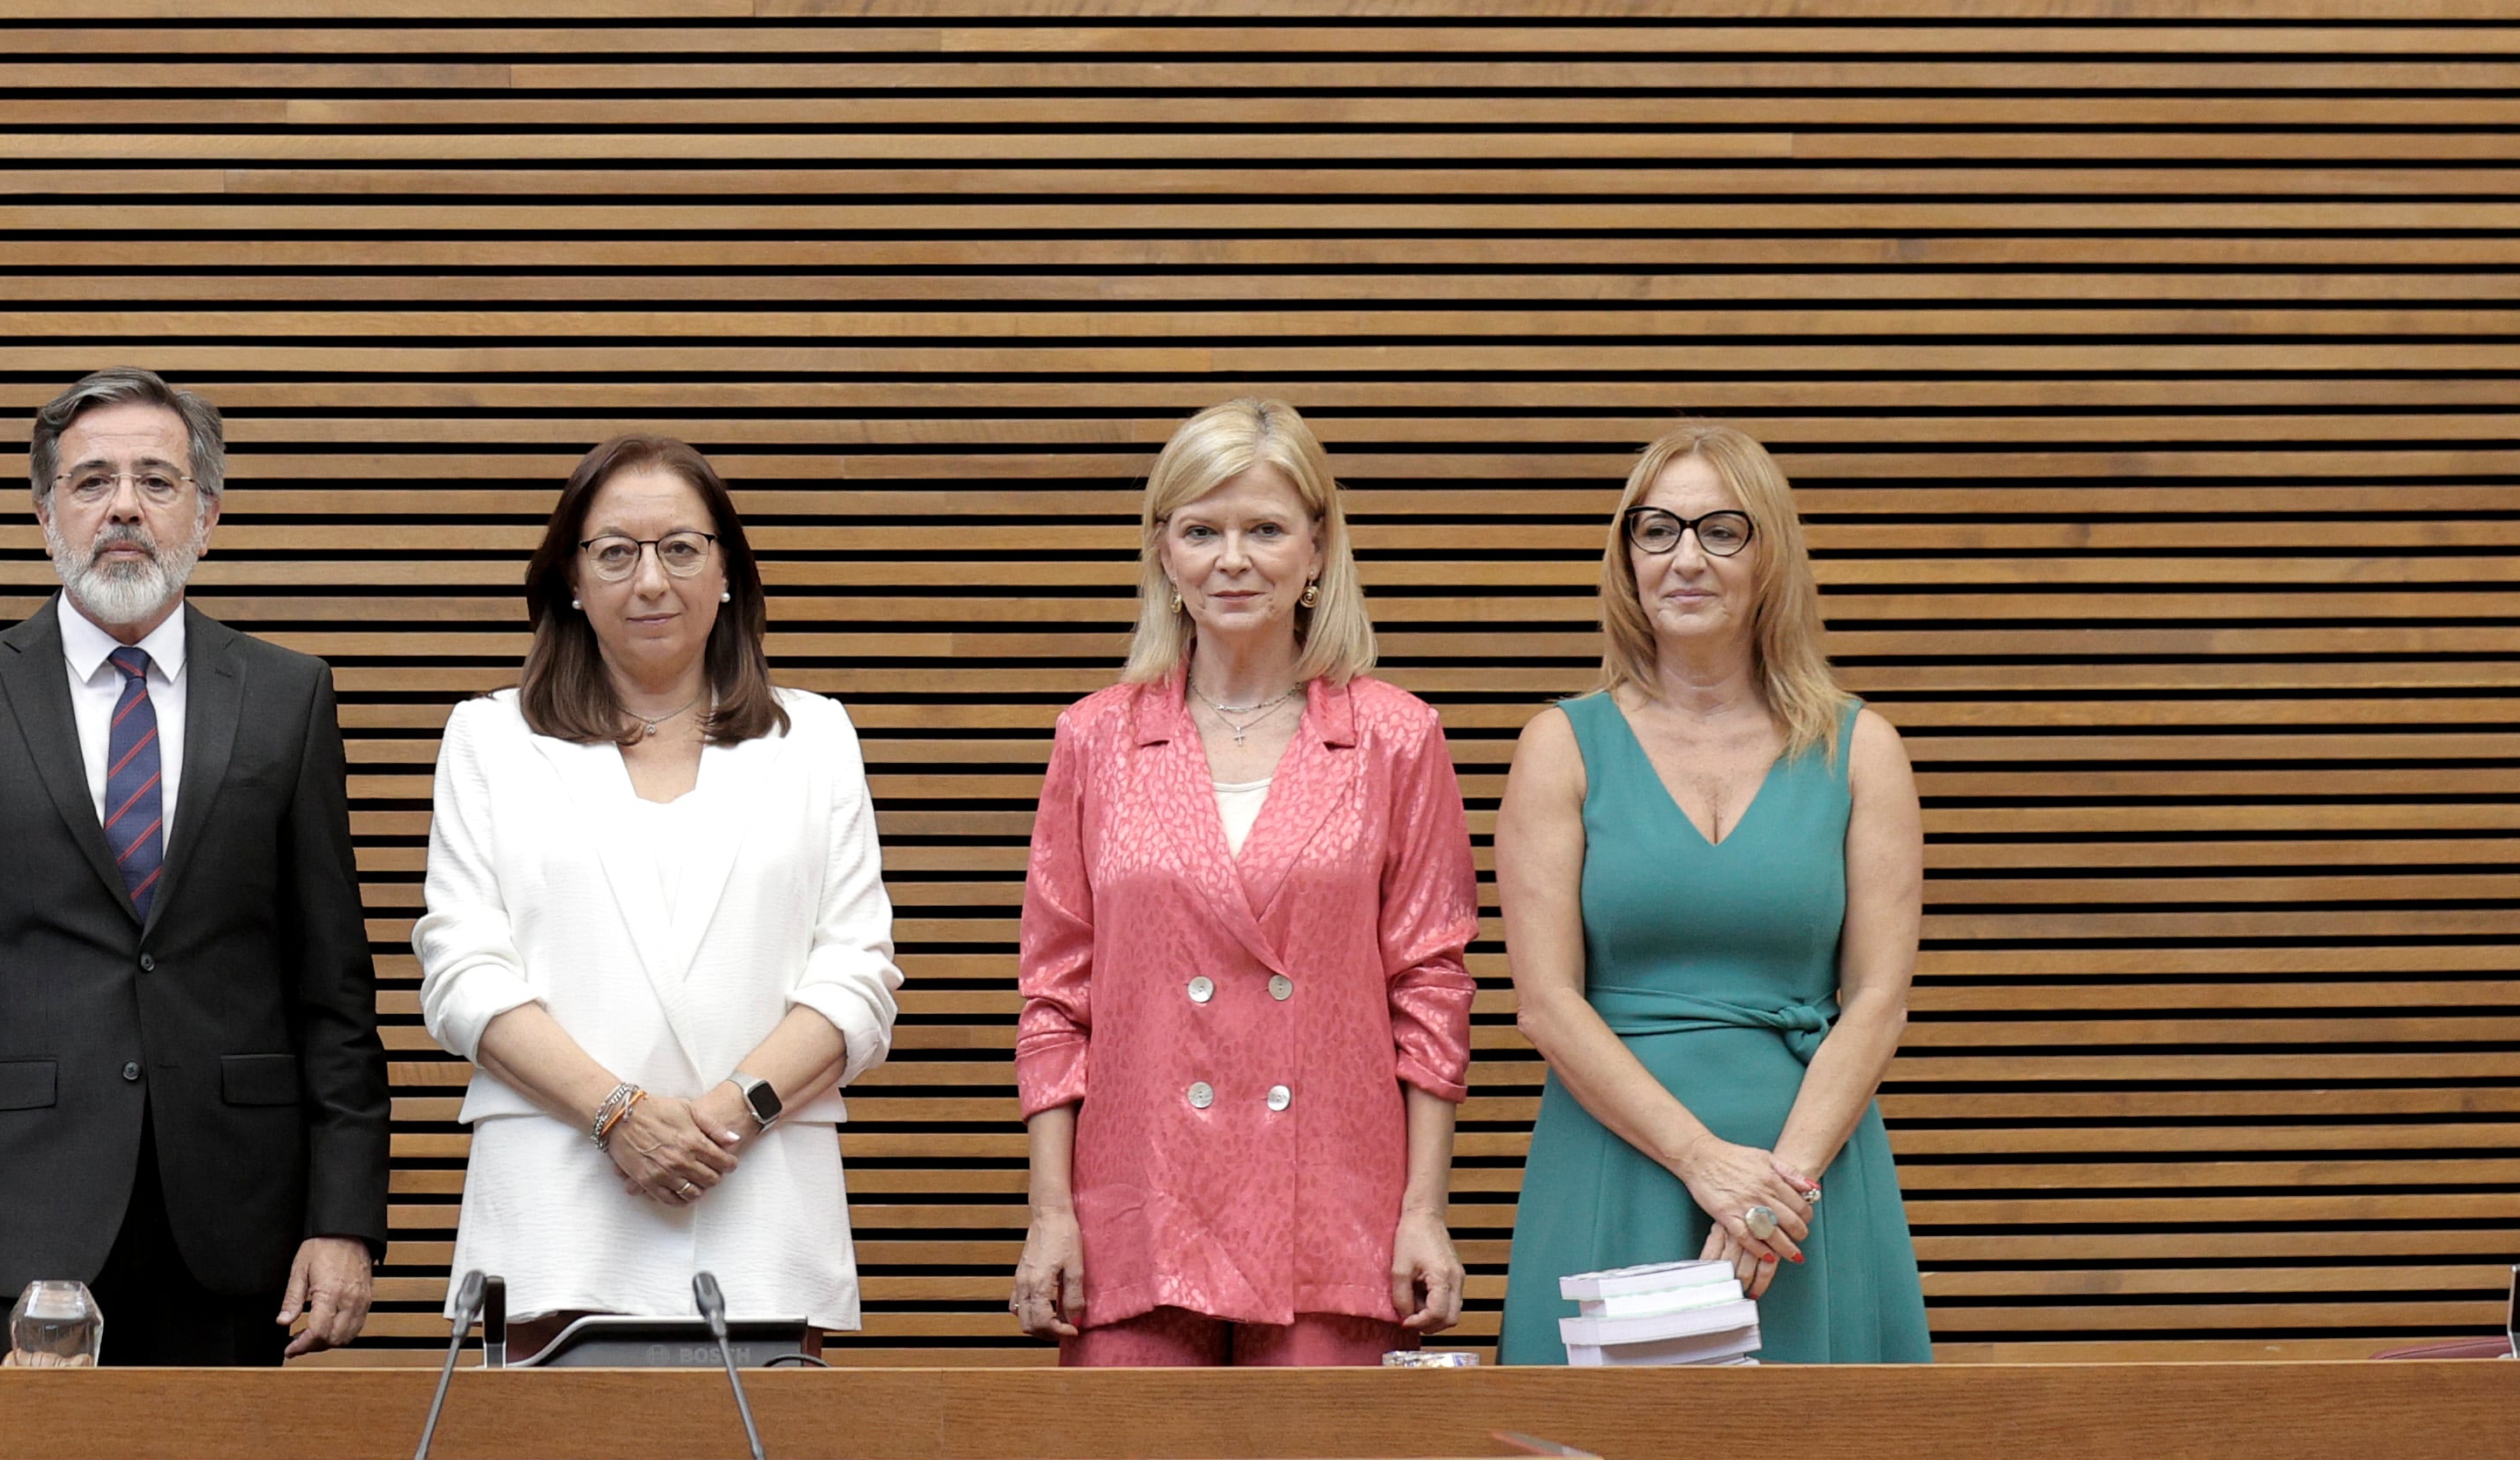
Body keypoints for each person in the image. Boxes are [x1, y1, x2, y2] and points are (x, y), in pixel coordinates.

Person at [0, 368, 388, 1363]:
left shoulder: (287, 695)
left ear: (208, 511)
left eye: (156, 479)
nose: (124, 507)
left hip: (244, 1224)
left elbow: (335, 991)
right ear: (45, 510)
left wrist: (344, 1217)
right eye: (92, 479)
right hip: (17, 1215)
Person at [1011, 399, 1478, 1364]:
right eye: (1201, 530)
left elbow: (1431, 991)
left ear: (1317, 549)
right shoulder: (1094, 737)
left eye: (1264, 528)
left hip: (1333, 1211)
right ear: (1163, 552)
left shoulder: (1396, 736)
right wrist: (1051, 1214)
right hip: (1134, 1212)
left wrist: (1423, 1210)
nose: (1233, 558)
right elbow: (1054, 999)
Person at [414, 436, 899, 1348]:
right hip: (558, 1204)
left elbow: (855, 976)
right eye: (615, 551)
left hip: (759, 1196)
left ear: (727, 573)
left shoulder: (815, 738)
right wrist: (619, 1115)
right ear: (569, 575)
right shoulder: (489, 739)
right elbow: (463, 974)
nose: (650, 580)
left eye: (680, 547)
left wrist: (721, 1116)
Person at [1494, 422, 1929, 1362]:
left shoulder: (1863, 751)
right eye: (1656, 531)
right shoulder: (1559, 746)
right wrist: (1702, 1162)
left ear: (1769, 552)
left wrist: (1778, 1186)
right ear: (1628, 559)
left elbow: (1878, 1000)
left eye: (1719, 529)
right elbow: (1545, 1001)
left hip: (1804, 1184)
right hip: (1617, 1161)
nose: (1684, 557)